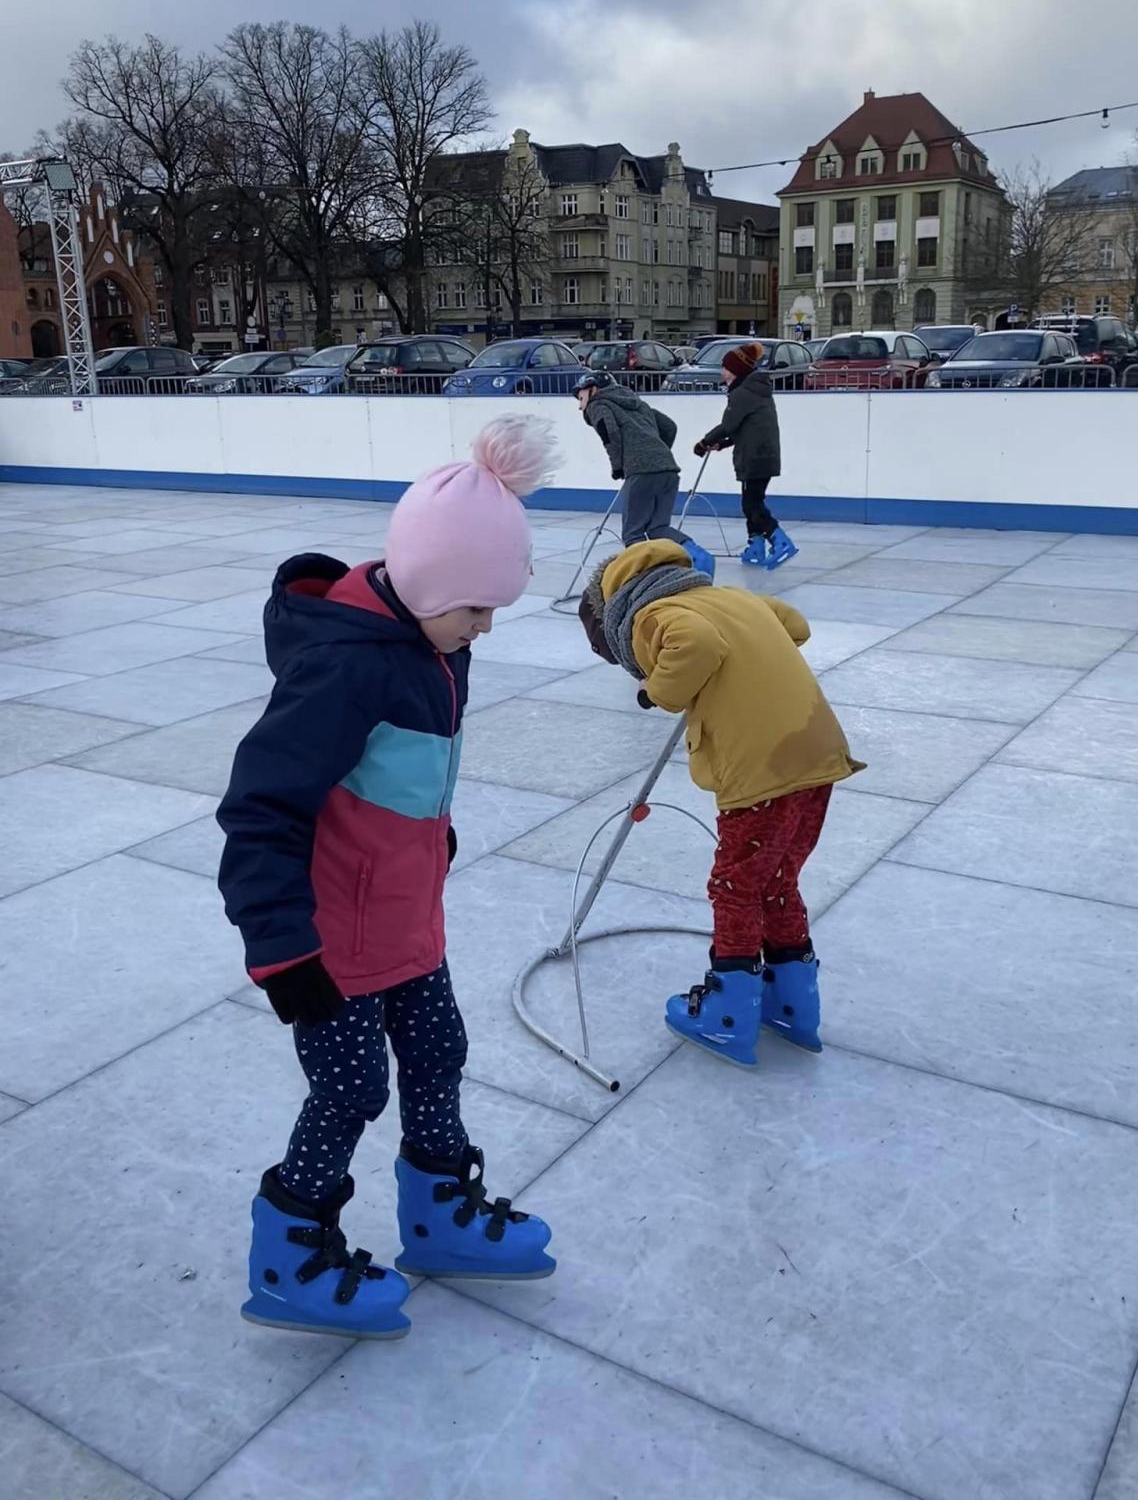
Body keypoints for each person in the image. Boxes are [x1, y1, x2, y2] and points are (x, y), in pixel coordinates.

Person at [217, 417, 560, 1342]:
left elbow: (397, 777)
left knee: (440, 1051)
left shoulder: (433, 645)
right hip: (331, 940)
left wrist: (426, 844)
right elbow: (259, 809)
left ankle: (439, 1215)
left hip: (407, 917)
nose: (485, 627)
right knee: (351, 1089)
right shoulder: (343, 671)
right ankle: (291, 1251)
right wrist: (281, 947)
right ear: (428, 583)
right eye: (475, 608)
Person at [578, 538, 864, 1067]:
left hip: (763, 772)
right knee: (776, 881)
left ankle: (729, 1015)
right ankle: (794, 1004)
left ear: (615, 601)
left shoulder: (652, 613)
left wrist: (656, 691)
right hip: (818, 754)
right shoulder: (733, 597)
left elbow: (696, 642)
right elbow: (795, 625)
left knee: (735, 887)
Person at [575, 370, 715, 577]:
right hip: (668, 469)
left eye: (580, 398)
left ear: (593, 389)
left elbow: (609, 433)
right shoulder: (637, 403)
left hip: (641, 472)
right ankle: (699, 556)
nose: (580, 406)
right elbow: (669, 427)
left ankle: (644, 580)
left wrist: (618, 466)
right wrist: (656, 454)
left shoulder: (598, 405)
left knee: (633, 534)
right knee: (658, 528)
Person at [693, 341, 798, 569]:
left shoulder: (743, 393)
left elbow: (728, 425)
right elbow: (746, 428)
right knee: (751, 502)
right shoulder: (755, 390)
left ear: (736, 370)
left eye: (725, 367)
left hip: (755, 456)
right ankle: (755, 546)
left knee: (752, 505)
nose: (722, 372)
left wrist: (704, 443)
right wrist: (722, 445)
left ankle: (780, 540)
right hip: (763, 454)